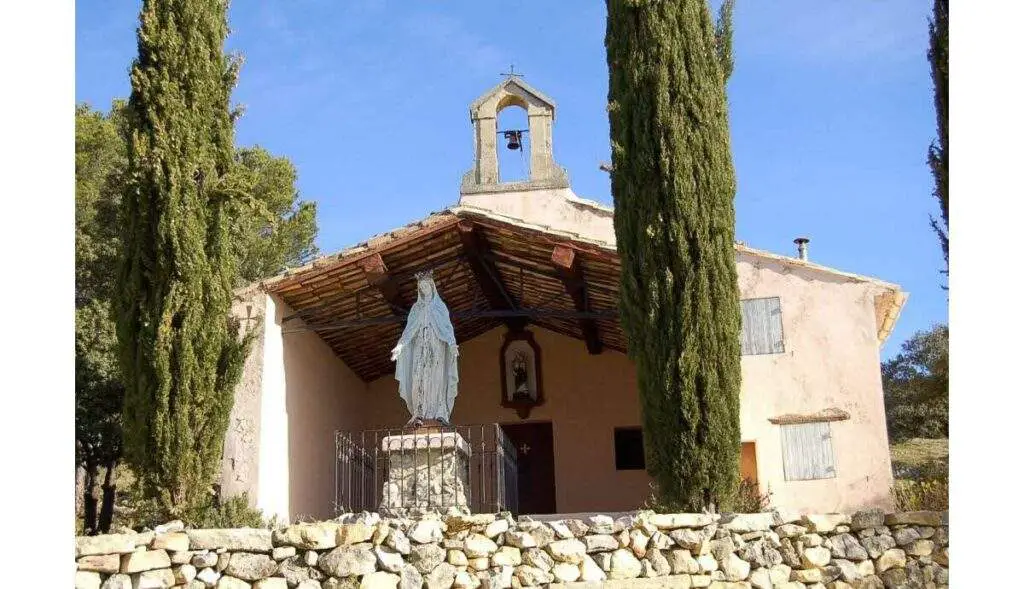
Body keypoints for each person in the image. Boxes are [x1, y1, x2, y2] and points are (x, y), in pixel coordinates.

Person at [391, 271, 460, 426]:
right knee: (419, 379)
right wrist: (400, 346)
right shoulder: (416, 309)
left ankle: (439, 413)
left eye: (426, 285)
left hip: (437, 349)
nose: (424, 289)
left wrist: (452, 343)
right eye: (421, 287)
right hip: (419, 350)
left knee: (436, 379)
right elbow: (409, 330)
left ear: (432, 286)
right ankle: (419, 412)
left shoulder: (440, 307)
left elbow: (447, 328)